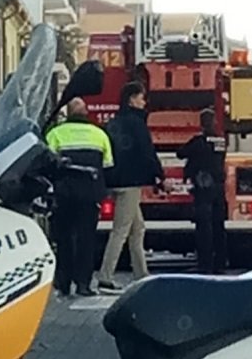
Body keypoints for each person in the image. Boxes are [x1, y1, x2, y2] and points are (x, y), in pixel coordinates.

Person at [98, 82, 166, 293]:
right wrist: (159, 175)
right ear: (131, 99)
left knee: (137, 229)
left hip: (115, 180)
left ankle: (141, 274)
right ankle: (105, 277)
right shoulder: (137, 124)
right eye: (141, 97)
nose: (144, 102)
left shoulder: (113, 123)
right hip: (130, 182)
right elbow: (147, 151)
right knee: (121, 230)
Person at [46, 98, 114, 297]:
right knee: (86, 240)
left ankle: (64, 282)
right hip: (89, 195)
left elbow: (47, 162)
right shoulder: (99, 134)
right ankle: (84, 284)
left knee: (64, 239)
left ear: (68, 113)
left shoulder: (55, 133)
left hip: (64, 195)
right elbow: (108, 166)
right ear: (86, 113)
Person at [177, 108, 227, 274]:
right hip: (219, 187)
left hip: (203, 187)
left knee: (204, 226)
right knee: (219, 225)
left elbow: (181, 153)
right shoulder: (221, 140)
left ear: (201, 123)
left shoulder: (198, 141)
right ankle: (220, 262)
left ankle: (205, 263)